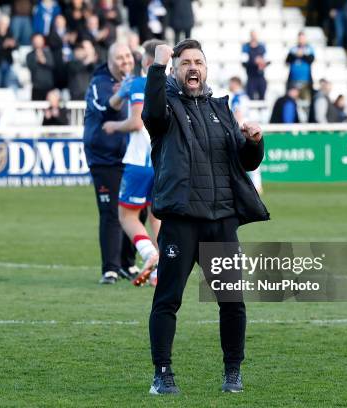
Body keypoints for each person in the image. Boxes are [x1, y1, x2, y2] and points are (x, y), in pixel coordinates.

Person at [142, 40, 269, 394]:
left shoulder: (221, 109)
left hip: (221, 221)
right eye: (185, 63)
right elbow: (150, 113)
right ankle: (162, 373)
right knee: (168, 300)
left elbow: (244, 163)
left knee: (232, 302)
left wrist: (254, 142)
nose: (192, 67)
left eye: (198, 62)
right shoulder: (165, 108)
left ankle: (233, 372)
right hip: (182, 221)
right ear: (176, 70)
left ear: (206, 68)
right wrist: (157, 66)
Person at [101, 39, 164, 287]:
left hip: (140, 161)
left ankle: (149, 254)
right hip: (163, 161)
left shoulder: (139, 84)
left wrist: (114, 125)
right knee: (157, 217)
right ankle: (162, 272)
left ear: (145, 62)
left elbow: (135, 121)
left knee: (126, 216)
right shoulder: (169, 85)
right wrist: (121, 92)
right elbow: (116, 102)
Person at [83, 42, 141, 284]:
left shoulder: (135, 80)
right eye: (119, 58)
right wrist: (123, 92)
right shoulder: (99, 83)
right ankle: (110, 268)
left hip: (131, 156)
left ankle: (128, 263)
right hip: (104, 158)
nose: (125, 61)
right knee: (110, 213)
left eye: (127, 56)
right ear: (109, 61)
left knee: (137, 209)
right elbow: (106, 108)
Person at [229, 77, 263, 194]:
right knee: (251, 159)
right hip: (246, 128)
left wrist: (235, 128)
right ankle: (257, 186)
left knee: (241, 158)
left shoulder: (238, 98)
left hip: (242, 129)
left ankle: (253, 186)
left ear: (235, 83)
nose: (230, 85)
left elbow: (238, 114)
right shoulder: (244, 97)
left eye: (231, 83)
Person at [286, 31, 315, 100]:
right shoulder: (293, 49)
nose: (301, 40)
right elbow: (288, 60)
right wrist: (296, 54)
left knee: (306, 101)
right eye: (300, 38)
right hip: (293, 81)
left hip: (305, 82)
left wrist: (302, 55)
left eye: (302, 38)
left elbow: (311, 59)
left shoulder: (309, 49)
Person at [27, 33, 55, 100]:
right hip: (36, 87)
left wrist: (44, 61)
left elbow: (52, 65)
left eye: (39, 40)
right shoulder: (30, 55)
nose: (37, 42)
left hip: (48, 86)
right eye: (36, 40)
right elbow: (31, 67)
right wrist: (37, 58)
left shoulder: (49, 53)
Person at [0, 15, 18, 88]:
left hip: (8, 61)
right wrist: (4, 45)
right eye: (2, 23)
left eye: (5, 24)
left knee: (7, 84)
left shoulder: (10, 33)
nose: (3, 25)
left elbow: (16, 46)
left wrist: (13, 44)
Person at [241, 30, 267, 100]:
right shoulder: (246, 47)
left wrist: (262, 62)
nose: (254, 37)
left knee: (262, 99)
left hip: (260, 76)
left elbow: (267, 61)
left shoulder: (262, 47)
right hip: (251, 77)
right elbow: (244, 62)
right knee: (250, 99)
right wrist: (254, 61)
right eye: (252, 35)